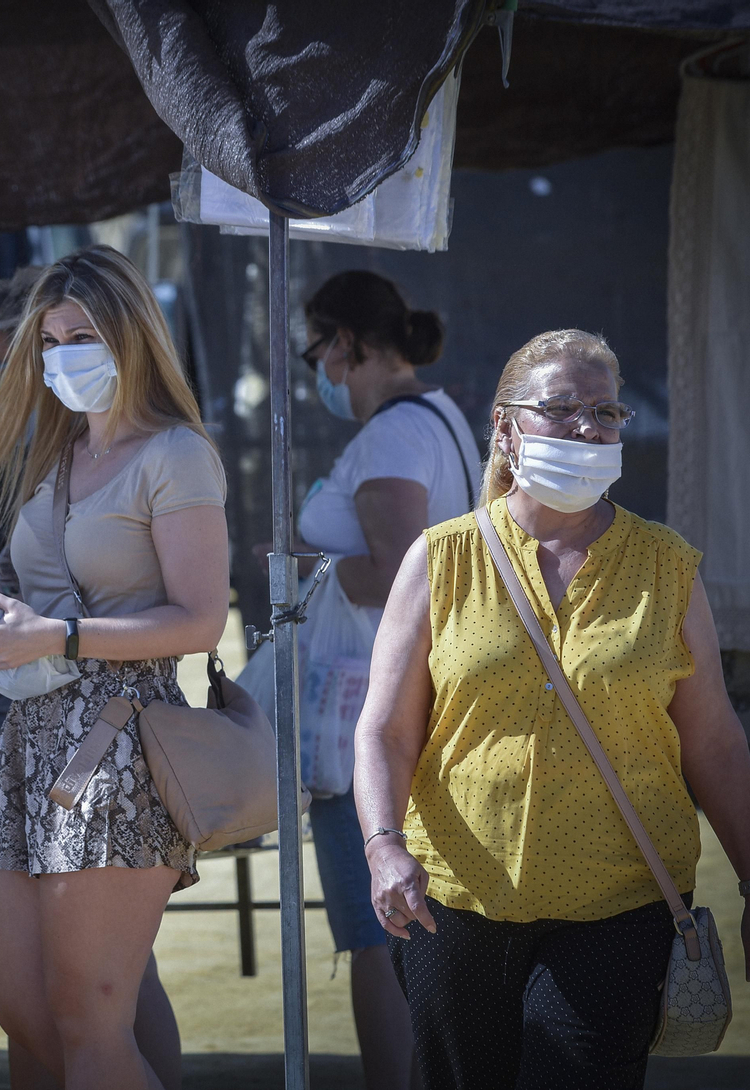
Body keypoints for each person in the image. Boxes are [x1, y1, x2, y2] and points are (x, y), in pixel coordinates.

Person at [355, 329, 750, 1089]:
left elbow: (715, 742)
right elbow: (386, 728)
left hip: (619, 904)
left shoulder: (667, 565)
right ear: (506, 427)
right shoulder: (442, 557)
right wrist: (383, 846)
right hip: (452, 901)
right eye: (561, 408)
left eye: (607, 411)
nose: (588, 427)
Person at [0, 244, 227, 1090]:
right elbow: (25, 589)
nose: (61, 357)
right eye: (50, 341)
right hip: (27, 742)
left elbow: (201, 619)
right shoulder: (55, 454)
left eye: (83, 336)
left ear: (132, 336)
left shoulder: (174, 453)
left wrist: (56, 637)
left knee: (88, 1019)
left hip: (117, 744)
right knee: (25, 1016)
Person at [295, 270, 479, 1090]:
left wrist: (302, 568)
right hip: (412, 696)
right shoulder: (438, 417)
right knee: (415, 928)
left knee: (377, 936)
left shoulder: (391, 435)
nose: (319, 374)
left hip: (368, 711)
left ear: (344, 343)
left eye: (315, 355)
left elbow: (404, 573)